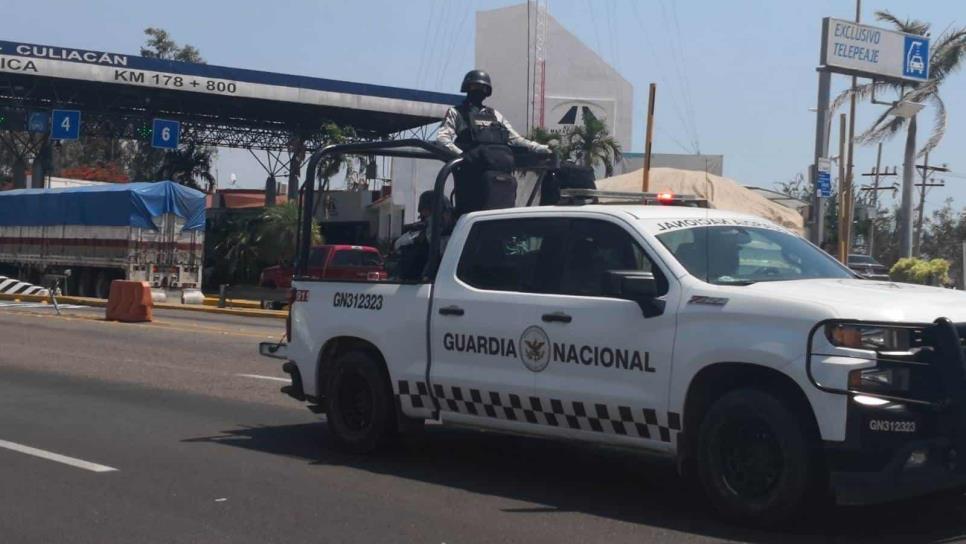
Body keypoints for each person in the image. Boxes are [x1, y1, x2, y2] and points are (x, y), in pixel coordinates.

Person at [437, 69, 550, 217]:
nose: (478, 91)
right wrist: (463, 157)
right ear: (467, 88)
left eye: (482, 88)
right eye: (474, 87)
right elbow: (442, 139)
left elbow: (514, 139)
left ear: (487, 91)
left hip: (497, 174)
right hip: (470, 175)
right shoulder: (456, 112)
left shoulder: (494, 114)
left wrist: (537, 148)